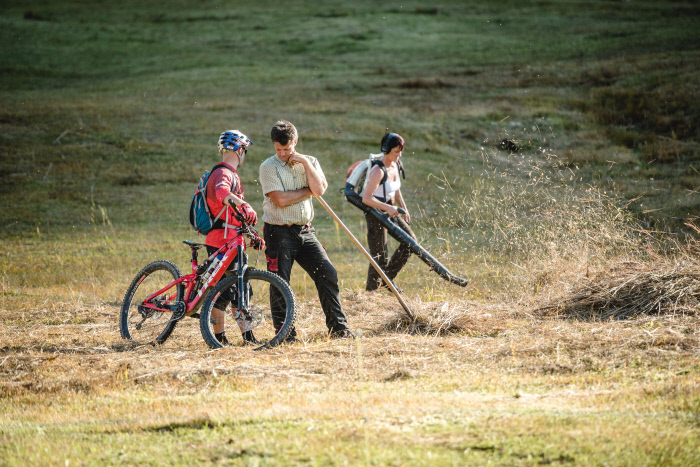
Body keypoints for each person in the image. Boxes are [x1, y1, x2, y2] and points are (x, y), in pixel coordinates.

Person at [259, 120, 352, 341]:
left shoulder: (310, 162)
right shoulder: (268, 167)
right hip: (278, 232)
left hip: (305, 231)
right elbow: (280, 200)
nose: (282, 154)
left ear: (295, 142)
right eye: (278, 149)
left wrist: (304, 164)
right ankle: (285, 335)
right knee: (280, 282)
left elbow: (319, 189)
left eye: (287, 149)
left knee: (328, 273)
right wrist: (307, 191)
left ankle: (338, 329)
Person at [204, 130, 260, 345]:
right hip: (222, 242)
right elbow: (222, 194)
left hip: (232, 240)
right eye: (244, 150)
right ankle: (219, 339)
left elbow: (232, 214)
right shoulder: (224, 173)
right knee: (227, 292)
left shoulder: (229, 173)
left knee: (241, 291)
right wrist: (244, 204)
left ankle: (247, 337)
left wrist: (252, 234)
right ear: (239, 150)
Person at [361, 132, 417, 291]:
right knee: (379, 256)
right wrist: (388, 208)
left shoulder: (397, 165)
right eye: (396, 152)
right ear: (385, 150)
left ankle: (387, 278)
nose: (399, 155)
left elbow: (396, 190)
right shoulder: (378, 171)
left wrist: (403, 208)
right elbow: (366, 198)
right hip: (376, 213)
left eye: (401, 151)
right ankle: (370, 295)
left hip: (391, 210)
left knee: (411, 242)